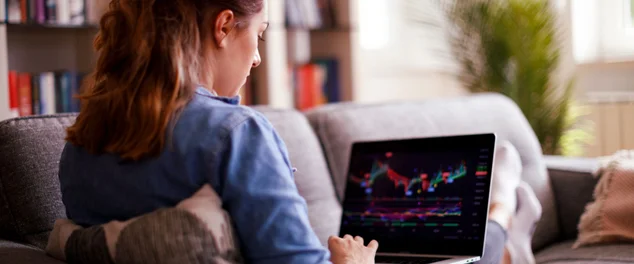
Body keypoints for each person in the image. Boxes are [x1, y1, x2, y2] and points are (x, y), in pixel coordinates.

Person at [57, 0, 541, 263]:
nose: (259, 57)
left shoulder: (80, 143)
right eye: (260, 35)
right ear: (224, 26)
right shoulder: (235, 133)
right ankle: (503, 209)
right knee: (473, 249)